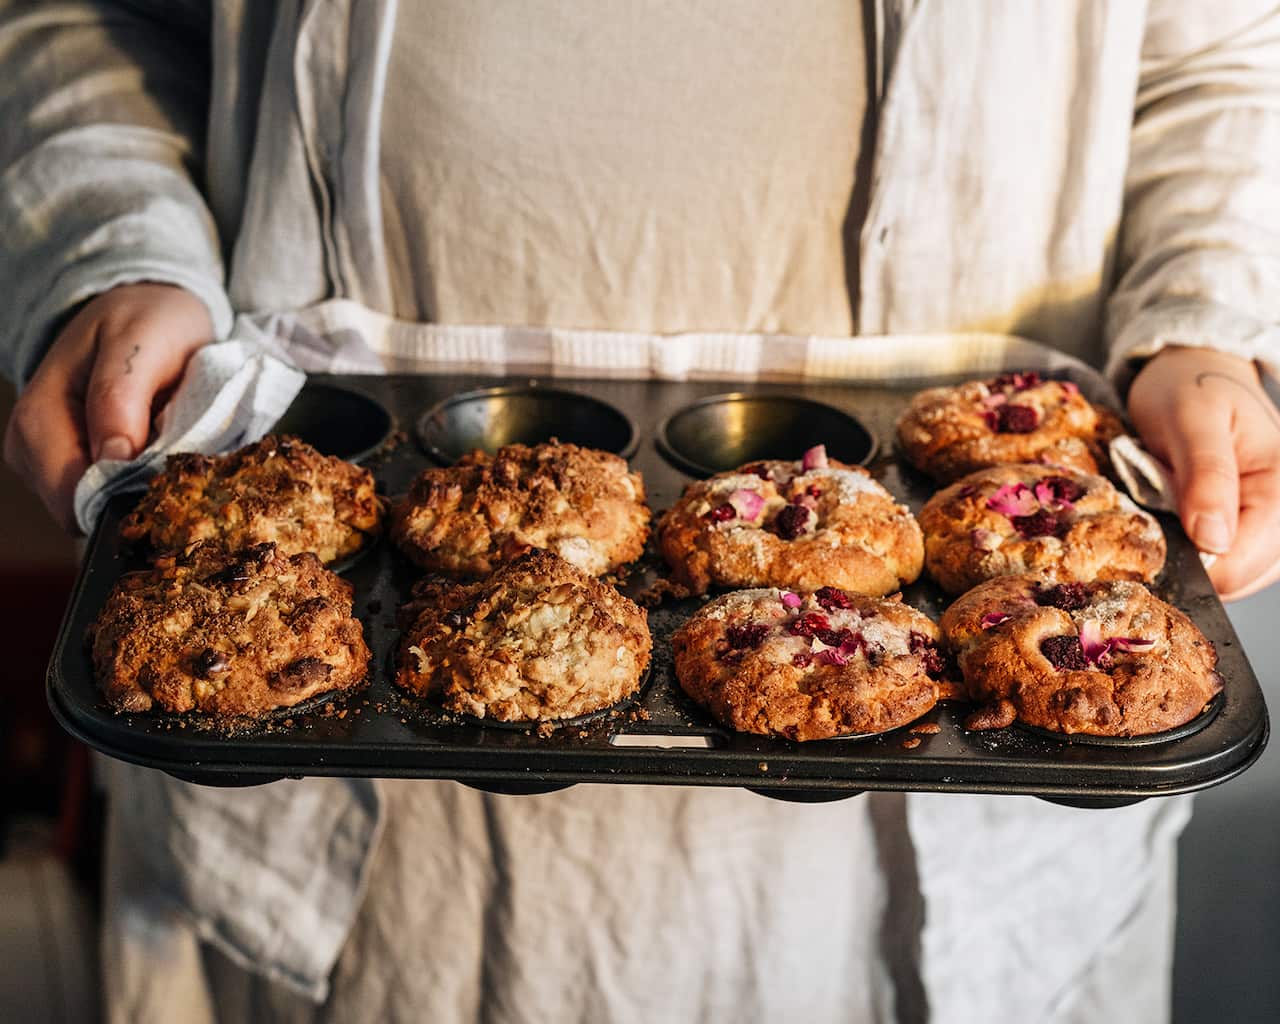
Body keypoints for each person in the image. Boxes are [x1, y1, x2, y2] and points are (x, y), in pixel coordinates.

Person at [3, 2, 1279, 1021]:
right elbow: (88, 17)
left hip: (967, 855)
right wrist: (110, 252)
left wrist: (1205, 327)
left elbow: (1223, 56)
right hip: (369, 850)